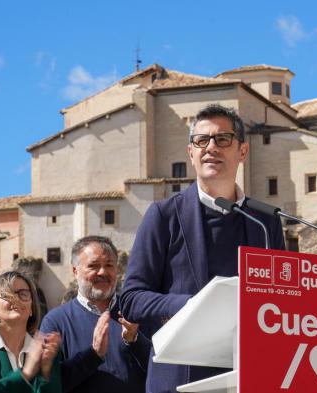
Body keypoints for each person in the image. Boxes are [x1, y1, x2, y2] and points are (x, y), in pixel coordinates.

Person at [121, 104, 286, 392]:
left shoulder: (265, 223)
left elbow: (285, 298)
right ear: (191, 153)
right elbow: (131, 299)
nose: (211, 147)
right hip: (178, 378)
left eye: (222, 139)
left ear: (242, 151)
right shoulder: (163, 216)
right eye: (201, 140)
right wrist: (189, 305)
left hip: (250, 376)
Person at [40, 235, 150, 393]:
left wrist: (135, 340)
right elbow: (49, 385)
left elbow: (161, 369)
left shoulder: (136, 313)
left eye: (109, 265)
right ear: (75, 271)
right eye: (93, 266)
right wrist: (93, 355)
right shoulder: (55, 322)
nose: (103, 272)